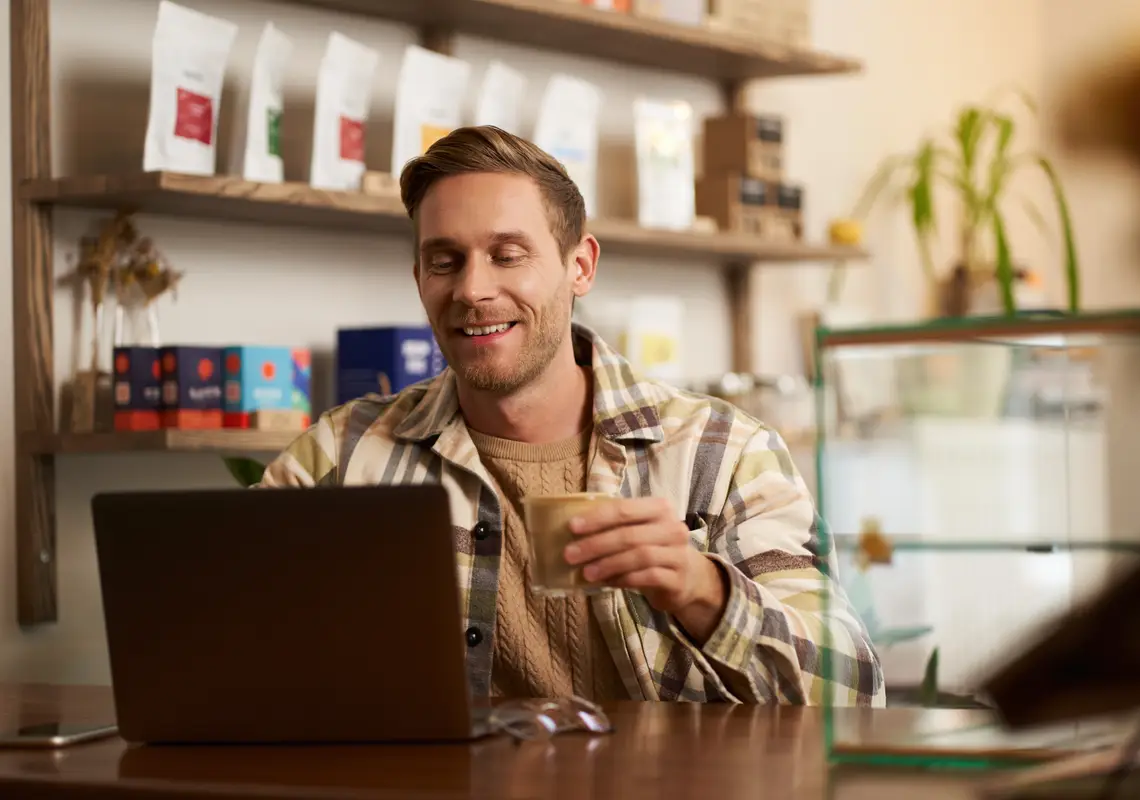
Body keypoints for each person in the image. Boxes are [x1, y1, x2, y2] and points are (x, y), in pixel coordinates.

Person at [258, 125, 884, 706]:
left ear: (579, 265)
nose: (472, 289)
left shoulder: (719, 452)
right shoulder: (344, 453)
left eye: (507, 254)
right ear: (419, 275)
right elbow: (216, 643)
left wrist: (701, 589)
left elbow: (850, 692)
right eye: (445, 261)